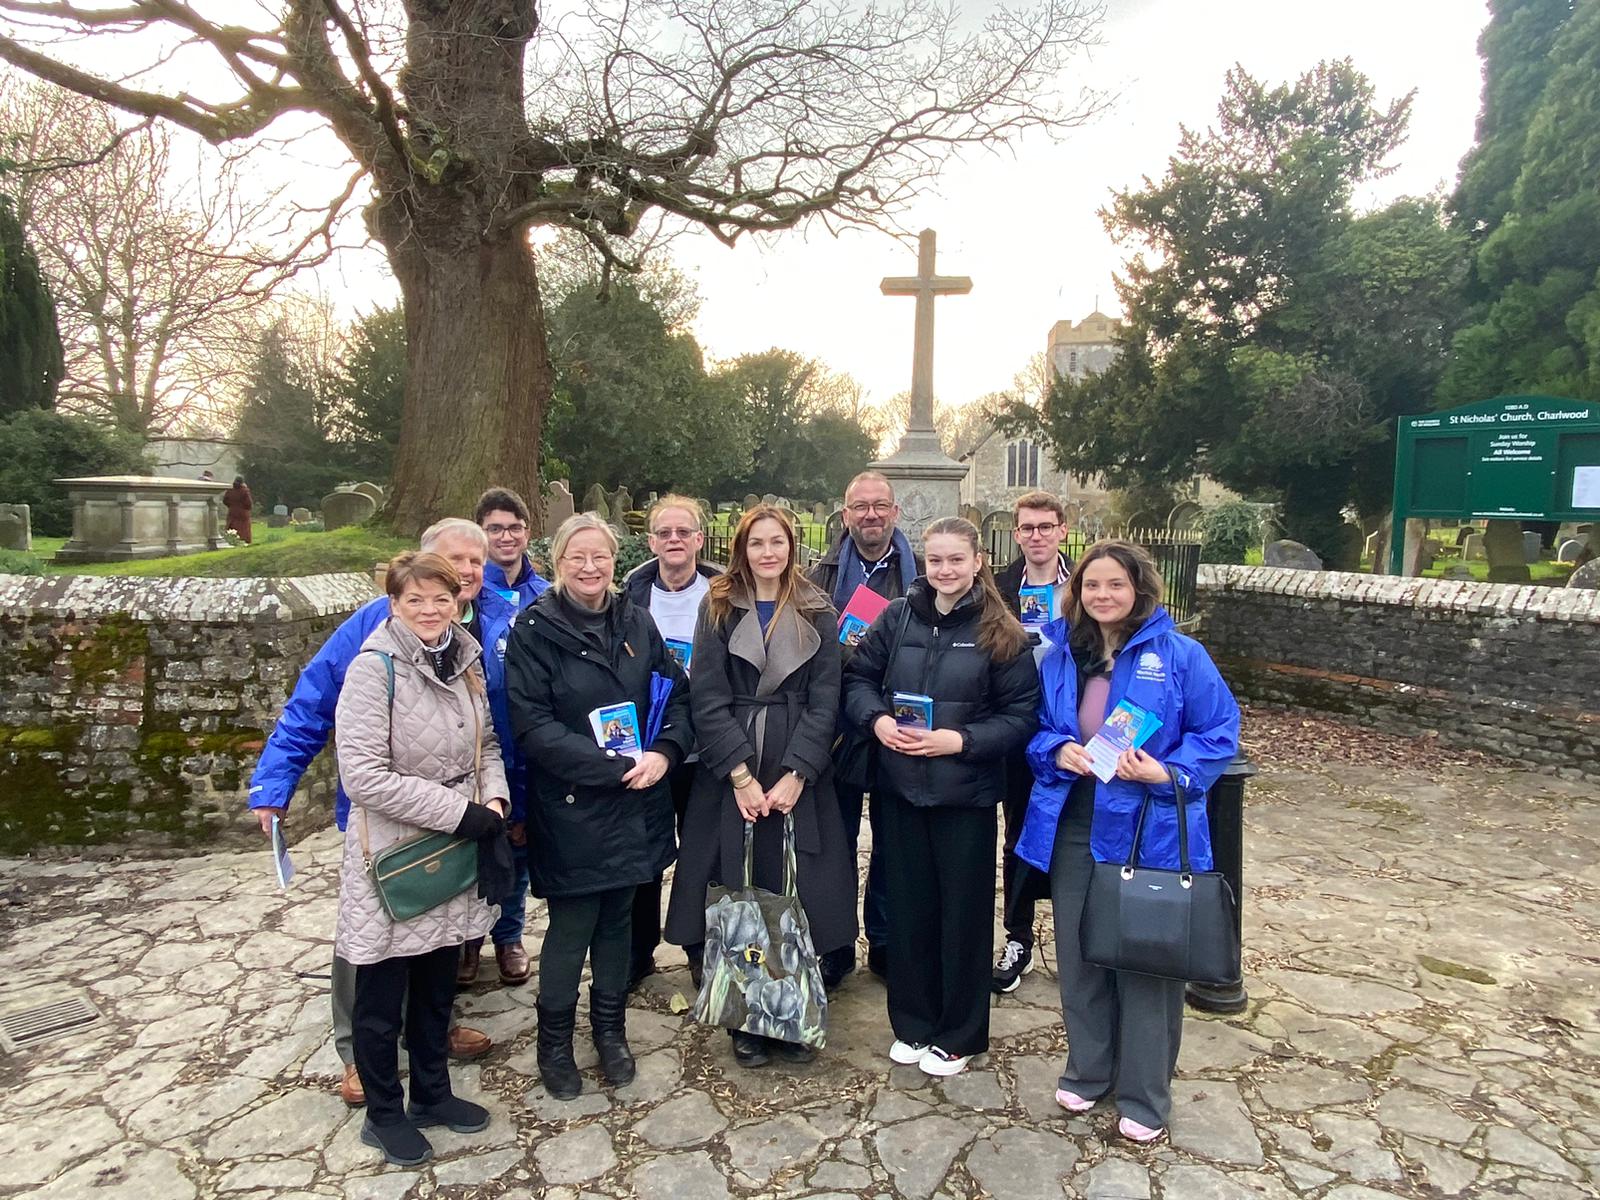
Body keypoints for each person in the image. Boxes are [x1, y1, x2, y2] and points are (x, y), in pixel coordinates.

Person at [247, 518, 498, 1107]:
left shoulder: (486, 625)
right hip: (393, 820)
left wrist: (498, 797)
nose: (464, 573)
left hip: (466, 807)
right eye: (452, 560)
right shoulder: (371, 636)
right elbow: (314, 701)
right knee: (372, 945)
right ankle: (358, 1052)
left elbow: (492, 724)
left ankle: (428, 1035)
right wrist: (274, 781)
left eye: (473, 564)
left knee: (438, 936)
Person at [1015, 539, 1240, 1142]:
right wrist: (1054, 749)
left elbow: (1220, 730)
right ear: (1077, 592)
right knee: (1080, 952)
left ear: (1139, 589)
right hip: (1073, 821)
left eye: (1115, 585)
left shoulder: (1181, 655)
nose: (1103, 596)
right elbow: (1036, 730)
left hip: (1149, 825)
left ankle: (1145, 1095)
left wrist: (1168, 773)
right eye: (1092, 586)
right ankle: (1089, 1071)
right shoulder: (1063, 656)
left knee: (1146, 957)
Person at [504, 513, 692, 1100]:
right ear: (557, 564)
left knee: (619, 922)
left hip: (639, 800)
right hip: (574, 805)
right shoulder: (534, 629)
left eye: (601, 557)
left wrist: (664, 751)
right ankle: (554, 1042)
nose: (590, 568)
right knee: (573, 926)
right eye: (576, 558)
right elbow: (533, 726)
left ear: (616, 561)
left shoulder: (637, 620)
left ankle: (611, 1032)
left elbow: (676, 695)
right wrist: (612, 768)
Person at [842, 516, 1038, 1077]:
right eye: (935, 561)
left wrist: (962, 739)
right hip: (899, 791)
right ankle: (913, 1023)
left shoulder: (1003, 632)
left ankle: (959, 1033)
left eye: (956, 560)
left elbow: (1022, 716)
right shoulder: (897, 616)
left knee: (963, 917)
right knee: (908, 914)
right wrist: (876, 722)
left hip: (966, 797)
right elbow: (857, 679)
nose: (945, 570)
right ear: (923, 563)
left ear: (977, 562)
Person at [333, 550, 511, 1167]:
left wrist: (493, 794)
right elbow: (363, 777)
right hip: (399, 853)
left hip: (457, 843)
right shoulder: (372, 670)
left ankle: (433, 1092)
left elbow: (486, 741)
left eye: (442, 598)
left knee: (438, 984)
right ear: (395, 604)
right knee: (382, 997)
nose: (431, 611)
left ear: (458, 599)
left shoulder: (465, 658)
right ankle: (384, 1114)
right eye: (416, 600)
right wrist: (462, 813)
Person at [664, 505, 856, 1067]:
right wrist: (741, 775)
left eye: (777, 542)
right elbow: (707, 696)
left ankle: (792, 1010)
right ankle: (746, 1016)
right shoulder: (718, 605)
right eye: (756, 543)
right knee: (740, 890)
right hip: (736, 770)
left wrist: (799, 771)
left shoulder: (818, 608)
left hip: (798, 767)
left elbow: (828, 699)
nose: (767, 553)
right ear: (741, 549)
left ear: (792, 547)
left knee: (796, 890)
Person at [807, 470, 923, 988]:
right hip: (840, 727)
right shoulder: (819, 575)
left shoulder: (921, 574)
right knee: (836, 841)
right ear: (845, 512)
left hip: (901, 725)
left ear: (895, 513)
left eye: (880, 505)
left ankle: (886, 938)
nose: (871, 514)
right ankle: (834, 944)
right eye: (861, 506)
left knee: (894, 842)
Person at [622, 495, 723, 988]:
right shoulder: (632, 595)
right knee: (643, 848)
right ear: (652, 542)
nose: (675, 541)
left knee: (703, 852)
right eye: (665, 533)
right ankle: (637, 950)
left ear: (699, 540)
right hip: (651, 746)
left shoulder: (723, 592)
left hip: (708, 746)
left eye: (684, 532)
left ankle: (699, 948)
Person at [457, 487, 552, 989]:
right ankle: (468, 941)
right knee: (476, 840)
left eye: (515, 527)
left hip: (530, 743)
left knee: (517, 842)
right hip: (480, 742)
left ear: (527, 532)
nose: (506, 536)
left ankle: (509, 935)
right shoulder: (469, 597)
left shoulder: (547, 594)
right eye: (495, 528)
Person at [990, 490, 1075, 993]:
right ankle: (1018, 936)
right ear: (1016, 533)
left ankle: (1077, 937)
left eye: (1046, 526)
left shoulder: (1086, 585)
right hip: (1019, 723)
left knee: (1076, 832)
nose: (1037, 536)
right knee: (1019, 833)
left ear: (1063, 530)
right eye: (1028, 527)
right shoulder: (1000, 587)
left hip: (1071, 728)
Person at [222, 476, 253, 544]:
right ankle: (244, 540)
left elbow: (225, 500)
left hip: (232, 511)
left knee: (232, 526)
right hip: (243, 513)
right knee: (243, 528)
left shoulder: (230, 490)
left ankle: (231, 539)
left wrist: (231, 505)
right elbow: (249, 503)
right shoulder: (244, 491)